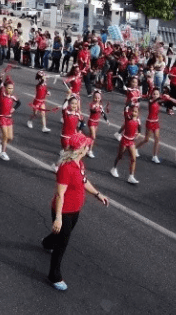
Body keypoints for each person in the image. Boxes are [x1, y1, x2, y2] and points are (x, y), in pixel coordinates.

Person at [41, 133, 109, 291]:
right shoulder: (67, 168)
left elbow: (84, 181)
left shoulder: (79, 164)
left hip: (75, 209)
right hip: (64, 211)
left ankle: (47, 242)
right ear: (81, 149)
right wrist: (58, 218)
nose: (88, 147)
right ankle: (54, 275)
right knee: (62, 244)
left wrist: (98, 194)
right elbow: (60, 194)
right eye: (86, 145)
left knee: (63, 234)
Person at [109, 103, 141, 184]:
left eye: (136, 112)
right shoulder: (127, 118)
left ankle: (131, 176)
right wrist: (131, 104)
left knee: (134, 159)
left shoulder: (138, 120)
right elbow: (125, 108)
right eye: (133, 111)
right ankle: (114, 168)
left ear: (138, 113)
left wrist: (138, 134)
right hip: (124, 140)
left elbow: (139, 129)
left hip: (131, 141)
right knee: (120, 156)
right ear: (130, 111)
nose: (134, 113)